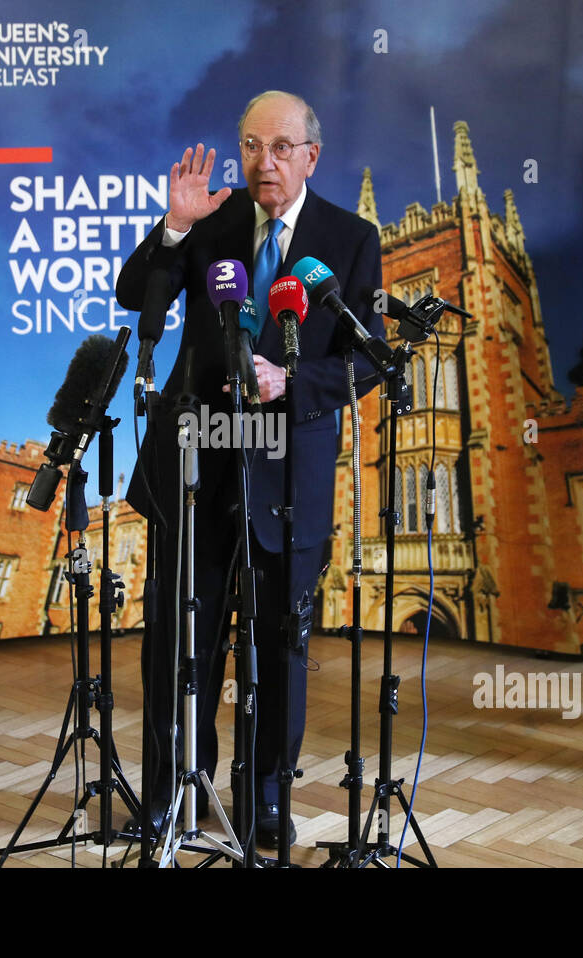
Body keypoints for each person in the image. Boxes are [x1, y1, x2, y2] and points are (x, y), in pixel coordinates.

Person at [116, 90, 384, 846]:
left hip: (288, 477)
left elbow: (364, 357)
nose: (262, 163)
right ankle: (172, 793)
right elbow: (137, 297)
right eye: (250, 146)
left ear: (310, 156)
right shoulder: (213, 220)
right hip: (196, 466)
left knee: (279, 642)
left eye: (279, 147)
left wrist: (289, 382)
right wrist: (173, 228)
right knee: (179, 639)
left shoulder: (350, 237)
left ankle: (266, 797)